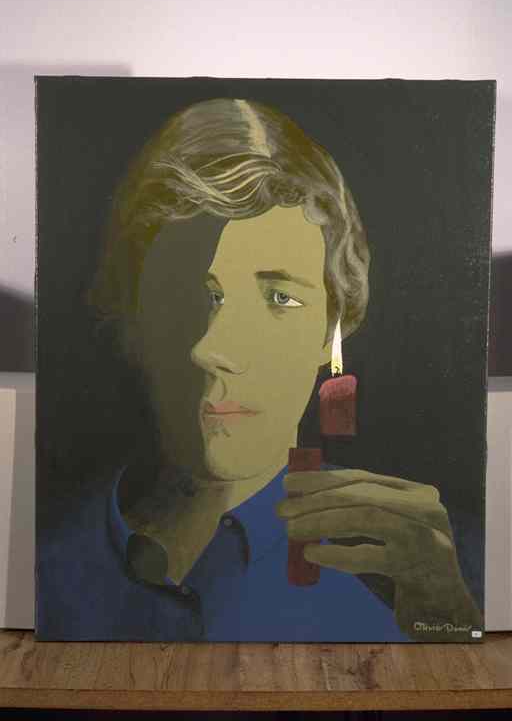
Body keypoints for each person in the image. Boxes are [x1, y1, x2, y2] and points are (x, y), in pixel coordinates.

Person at [36, 98, 482, 642]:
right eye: (185, 293)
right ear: (129, 319)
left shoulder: (441, 569)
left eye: (279, 298)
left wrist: (447, 627)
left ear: (331, 329)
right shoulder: (40, 568)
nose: (216, 347)